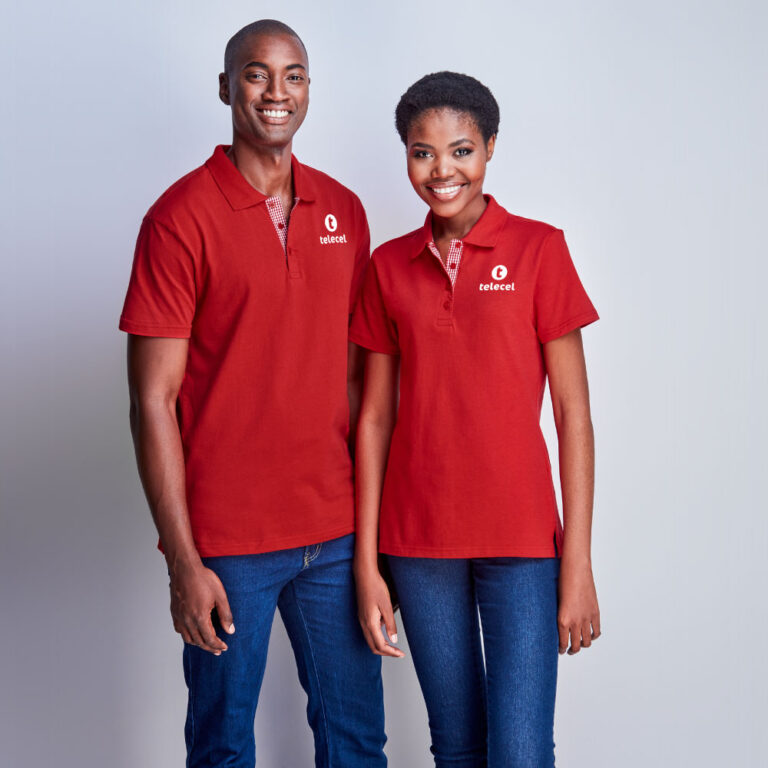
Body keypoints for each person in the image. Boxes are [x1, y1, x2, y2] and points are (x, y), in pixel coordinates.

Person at [119, 20, 386, 768]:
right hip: (229, 543)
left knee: (357, 742)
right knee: (223, 747)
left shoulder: (344, 211)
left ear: (309, 89)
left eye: (293, 74)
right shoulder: (178, 219)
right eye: (256, 73)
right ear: (225, 87)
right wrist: (183, 560)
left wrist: (372, 540)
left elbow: (360, 382)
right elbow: (152, 402)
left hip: (335, 533)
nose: (277, 91)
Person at [352, 71, 601, 767]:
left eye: (461, 150)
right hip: (417, 542)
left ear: (490, 147)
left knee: (520, 751)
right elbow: (374, 420)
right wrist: (368, 563)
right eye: (422, 153)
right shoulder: (387, 267)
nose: (443, 170)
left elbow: (574, 415)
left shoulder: (540, 249)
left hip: (522, 542)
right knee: (457, 747)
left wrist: (577, 562)